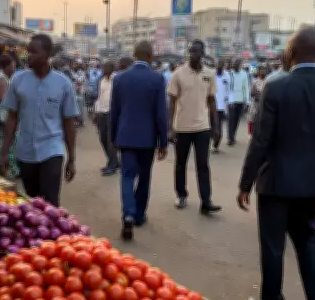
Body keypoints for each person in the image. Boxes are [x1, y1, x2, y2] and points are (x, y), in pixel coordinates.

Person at [237, 27, 315, 300]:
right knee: (307, 240)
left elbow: (261, 140)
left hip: (275, 181)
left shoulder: (277, 87)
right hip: (313, 185)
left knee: (273, 246)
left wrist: (245, 182)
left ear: (291, 52)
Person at [0, 34, 79, 206]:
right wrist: (4, 152)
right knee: (31, 202)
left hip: (52, 150)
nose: (28, 56)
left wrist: (71, 158)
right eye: (28, 51)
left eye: (34, 52)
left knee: (50, 203)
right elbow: (11, 118)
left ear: (48, 53)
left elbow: (69, 123)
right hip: (25, 151)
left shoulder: (64, 84)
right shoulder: (17, 80)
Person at [111, 40, 169, 240]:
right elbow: (161, 114)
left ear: (134, 55)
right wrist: (164, 142)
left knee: (127, 176)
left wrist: (113, 137)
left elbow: (114, 112)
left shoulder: (119, 79)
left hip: (125, 136)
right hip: (148, 138)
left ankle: (127, 213)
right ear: (151, 57)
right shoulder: (157, 79)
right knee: (144, 176)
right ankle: (139, 215)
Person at [168, 40, 221, 215]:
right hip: (182, 127)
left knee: (203, 165)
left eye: (196, 51)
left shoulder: (209, 74)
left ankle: (206, 201)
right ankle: (181, 195)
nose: (192, 54)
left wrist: (216, 125)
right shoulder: (178, 74)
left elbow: (212, 101)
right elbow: (172, 102)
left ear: (203, 53)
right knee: (180, 164)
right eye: (190, 51)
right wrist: (170, 127)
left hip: (202, 128)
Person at [0, 54, 19, 177]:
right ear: (7, 66)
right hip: (3, 115)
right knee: (9, 140)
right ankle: (6, 168)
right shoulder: (2, 78)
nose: (14, 67)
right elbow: (3, 98)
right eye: (13, 65)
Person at [94, 59, 119, 176]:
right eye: (103, 67)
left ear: (112, 68)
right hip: (102, 113)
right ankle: (113, 161)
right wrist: (96, 112)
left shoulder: (117, 80)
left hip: (113, 113)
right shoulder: (102, 81)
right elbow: (99, 97)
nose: (104, 69)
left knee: (111, 140)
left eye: (106, 67)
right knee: (102, 138)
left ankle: (112, 165)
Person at [227, 59, 249, 145]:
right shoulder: (229, 74)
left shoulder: (244, 74)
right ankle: (230, 138)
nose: (235, 65)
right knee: (231, 119)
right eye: (234, 64)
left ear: (240, 65)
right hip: (231, 101)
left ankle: (233, 136)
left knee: (236, 119)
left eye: (237, 64)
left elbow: (246, 88)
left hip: (240, 100)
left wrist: (247, 102)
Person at [213, 61, 230, 153]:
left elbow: (229, 91)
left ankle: (216, 146)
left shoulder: (227, 76)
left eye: (221, 64)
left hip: (221, 107)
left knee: (219, 128)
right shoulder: (211, 75)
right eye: (218, 64)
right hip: (210, 107)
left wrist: (228, 103)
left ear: (223, 66)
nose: (219, 66)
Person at [248, 65, 268, 135]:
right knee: (252, 119)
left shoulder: (268, 81)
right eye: (261, 70)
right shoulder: (254, 81)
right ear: (258, 72)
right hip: (255, 104)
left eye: (264, 70)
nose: (263, 72)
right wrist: (259, 94)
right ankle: (251, 135)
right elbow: (251, 93)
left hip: (265, 104)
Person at [72, 63, 87, 127]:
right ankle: (76, 121)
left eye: (76, 65)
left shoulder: (82, 73)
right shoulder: (71, 72)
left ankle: (81, 121)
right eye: (74, 64)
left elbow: (80, 80)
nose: (74, 65)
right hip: (73, 93)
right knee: (74, 107)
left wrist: (75, 79)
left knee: (80, 107)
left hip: (80, 93)